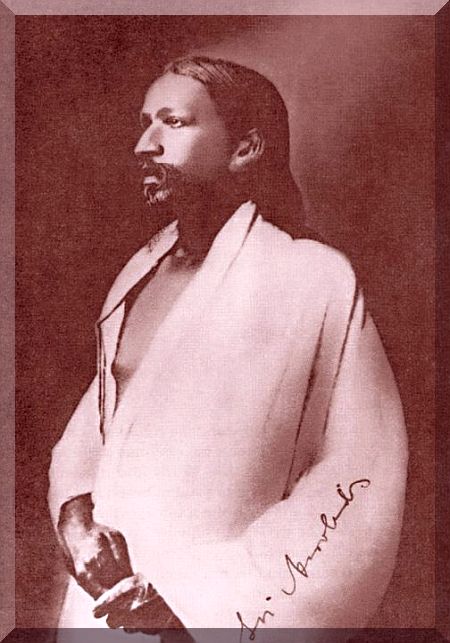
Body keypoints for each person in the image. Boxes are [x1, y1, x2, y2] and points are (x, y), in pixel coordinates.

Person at [48, 56, 408, 642]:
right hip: (98, 613)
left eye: (173, 122)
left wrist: (193, 598)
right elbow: (97, 431)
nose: (145, 144)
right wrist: (75, 516)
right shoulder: (136, 277)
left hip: (214, 618)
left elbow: (359, 476)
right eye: (145, 123)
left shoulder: (313, 278)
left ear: (245, 148)